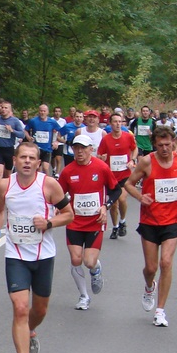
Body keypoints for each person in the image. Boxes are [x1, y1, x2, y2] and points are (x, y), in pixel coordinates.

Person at [0, 141, 74, 353]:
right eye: (22, 157)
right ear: (14, 160)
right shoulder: (5, 185)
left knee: (40, 310)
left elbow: (69, 214)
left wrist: (49, 222)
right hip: (16, 255)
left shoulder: (49, 185)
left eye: (31, 158)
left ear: (38, 162)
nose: (26, 161)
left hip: (43, 255)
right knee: (21, 308)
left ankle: (30, 331)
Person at [123, 126, 177, 328]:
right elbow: (129, 184)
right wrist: (140, 196)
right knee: (151, 267)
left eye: (168, 144)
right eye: (160, 145)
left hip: (173, 220)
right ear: (154, 144)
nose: (165, 148)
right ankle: (149, 287)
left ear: (174, 142)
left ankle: (160, 310)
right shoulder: (146, 162)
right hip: (149, 220)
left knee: (166, 262)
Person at [58, 133, 121, 310]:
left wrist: (105, 206)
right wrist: (58, 207)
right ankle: (84, 296)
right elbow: (58, 193)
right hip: (75, 221)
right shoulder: (68, 171)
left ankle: (96, 270)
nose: (79, 152)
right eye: (76, 148)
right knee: (76, 259)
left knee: (89, 261)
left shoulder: (101, 167)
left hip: (95, 221)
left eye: (83, 148)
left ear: (91, 149)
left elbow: (116, 191)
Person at [98, 112, 138, 239]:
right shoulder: (106, 139)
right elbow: (100, 155)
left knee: (121, 199)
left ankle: (123, 221)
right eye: (115, 121)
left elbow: (135, 149)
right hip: (110, 176)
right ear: (110, 124)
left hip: (125, 174)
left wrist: (132, 160)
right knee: (113, 204)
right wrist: (101, 158)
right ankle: (115, 227)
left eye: (120, 122)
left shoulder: (128, 137)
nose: (118, 124)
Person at [0, 100, 27, 181]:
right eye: (2, 107)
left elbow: (22, 135)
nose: (3, 109)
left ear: (10, 110)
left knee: (8, 175)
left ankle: (7, 191)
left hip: (9, 149)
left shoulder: (15, 121)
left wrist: (12, 130)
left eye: (5, 108)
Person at [26, 104, 61, 175]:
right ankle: (38, 183)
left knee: (45, 167)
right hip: (36, 148)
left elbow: (61, 131)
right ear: (39, 111)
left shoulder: (52, 122)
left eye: (44, 111)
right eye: (41, 111)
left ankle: (46, 181)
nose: (42, 113)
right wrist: (29, 137)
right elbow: (25, 130)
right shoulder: (33, 121)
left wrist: (56, 142)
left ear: (47, 112)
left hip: (47, 149)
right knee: (37, 168)